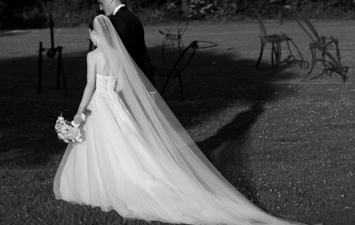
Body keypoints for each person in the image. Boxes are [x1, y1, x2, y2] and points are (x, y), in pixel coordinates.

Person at [53, 14, 308, 225]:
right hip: (115, 106)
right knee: (129, 145)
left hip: (99, 104)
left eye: (90, 33)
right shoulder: (118, 56)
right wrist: (110, 98)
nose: (90, 37)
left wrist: (79, 112)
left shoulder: (93, 56)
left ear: (94, 33)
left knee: (102, 147)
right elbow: (119, 86)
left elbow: (89, 86)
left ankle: (106, 184)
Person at [98, 0, 155, 85]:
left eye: (101, 3)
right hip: (142, 73)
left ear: (110, 0)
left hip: (128, 78)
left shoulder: (117, 20)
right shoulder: (134, 18)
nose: (100, 8)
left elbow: (114, 51)